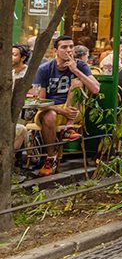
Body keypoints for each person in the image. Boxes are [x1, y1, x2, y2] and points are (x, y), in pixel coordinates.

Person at [32, 35, 100, 176]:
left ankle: (69, 128)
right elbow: (40, 101)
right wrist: (61, 111)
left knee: (77, 83)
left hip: (73, 112)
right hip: (51, 109)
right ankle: (51, 158)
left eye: (71, 47)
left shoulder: (80, 65)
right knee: (49, 116)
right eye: (64, 47)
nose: (68, 50)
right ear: (55, 51)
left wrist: (75, 71)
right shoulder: (45, 69)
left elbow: (96, 89)